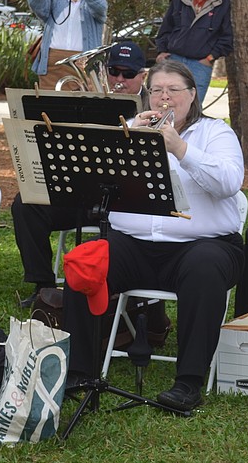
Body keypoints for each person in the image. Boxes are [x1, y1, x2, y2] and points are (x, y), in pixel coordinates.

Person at [62, 60, 245, 411]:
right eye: (156, 90)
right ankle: (80, 371)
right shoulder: (128, 128)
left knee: (205, 269)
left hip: (203, 245)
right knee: (85, 262)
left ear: (192, 95)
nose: (164, 98)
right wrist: (131, 140)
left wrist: (178, 147)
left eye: (173, 90)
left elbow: (228, 183)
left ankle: (188, 382)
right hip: (134, 244)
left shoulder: (215, 132)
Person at [12, 43, 149, 308]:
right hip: (84, 190)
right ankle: (44, 286)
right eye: (113, 72)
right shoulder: (91, 100)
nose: (119, 80)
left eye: (128, 74)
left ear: (143, 75)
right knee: (26, 204)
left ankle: (117, 289)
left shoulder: (152, 103)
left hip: (126, 200)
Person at [156, 0, 233, 105]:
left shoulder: (223, 1)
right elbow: (166, 28)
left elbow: (227, 36)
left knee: (193, 109)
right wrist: (161, 52)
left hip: (200, 64)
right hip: (174, 61)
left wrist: (210, 58)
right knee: (167, 106)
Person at [28, 0, 107, 90]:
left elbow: (100, 6)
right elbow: (35, 1)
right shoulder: (56, 1)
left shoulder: (92, 5)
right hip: (51, 70)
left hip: (82, 70)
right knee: (48, 110)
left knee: (78, 109)